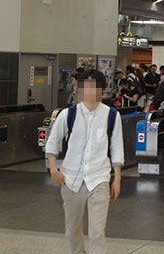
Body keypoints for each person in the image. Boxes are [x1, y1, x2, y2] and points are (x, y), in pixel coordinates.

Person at [45, 70, 124, 254]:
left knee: (97, 232)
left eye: (94, 86)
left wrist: (117, 178)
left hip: (99, 179)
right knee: (72, 231)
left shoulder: (111, 116)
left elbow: (117, 148)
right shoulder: (68, 115)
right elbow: (53, 142)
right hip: (70, 179)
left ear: (102, 89)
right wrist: (54, 169)